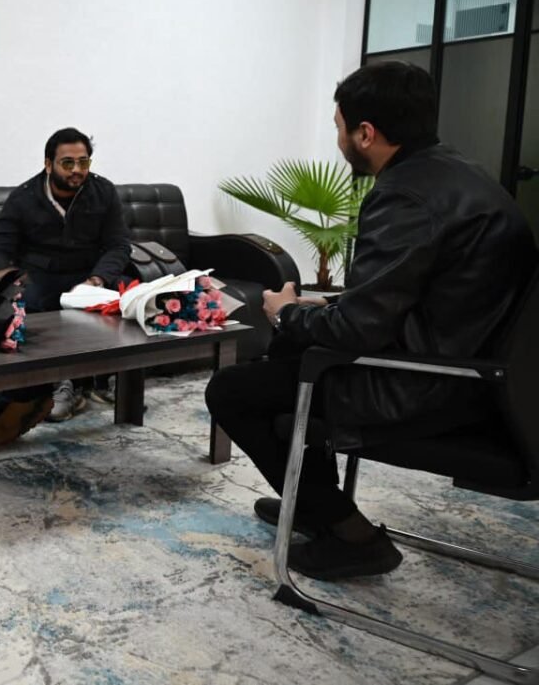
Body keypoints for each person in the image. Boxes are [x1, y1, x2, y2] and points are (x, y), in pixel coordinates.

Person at [205, 61, 537, 581]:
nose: (338, 140)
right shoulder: (459, 174)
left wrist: (285, 311)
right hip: (475, 371)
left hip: (426, 385)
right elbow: (420, 293)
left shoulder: (404, 196)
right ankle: (312, 502)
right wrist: (327, 308)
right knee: (291, 357)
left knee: (231, 391)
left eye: (339, 128)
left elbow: (355, 332)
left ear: (365, 133)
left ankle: (349, 534)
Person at [0, 127, 131, 446]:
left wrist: (97, 279)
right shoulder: (24, 197)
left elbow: (118, 245)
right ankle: (53, 386)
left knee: (127, 300)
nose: (77, 170)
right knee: (24, 306)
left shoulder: (103, 191)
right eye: (67, 163)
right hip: (41, 276)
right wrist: (2, 275)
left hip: (89, 275)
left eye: (83, 162)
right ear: (49, 164)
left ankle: (108, 381)